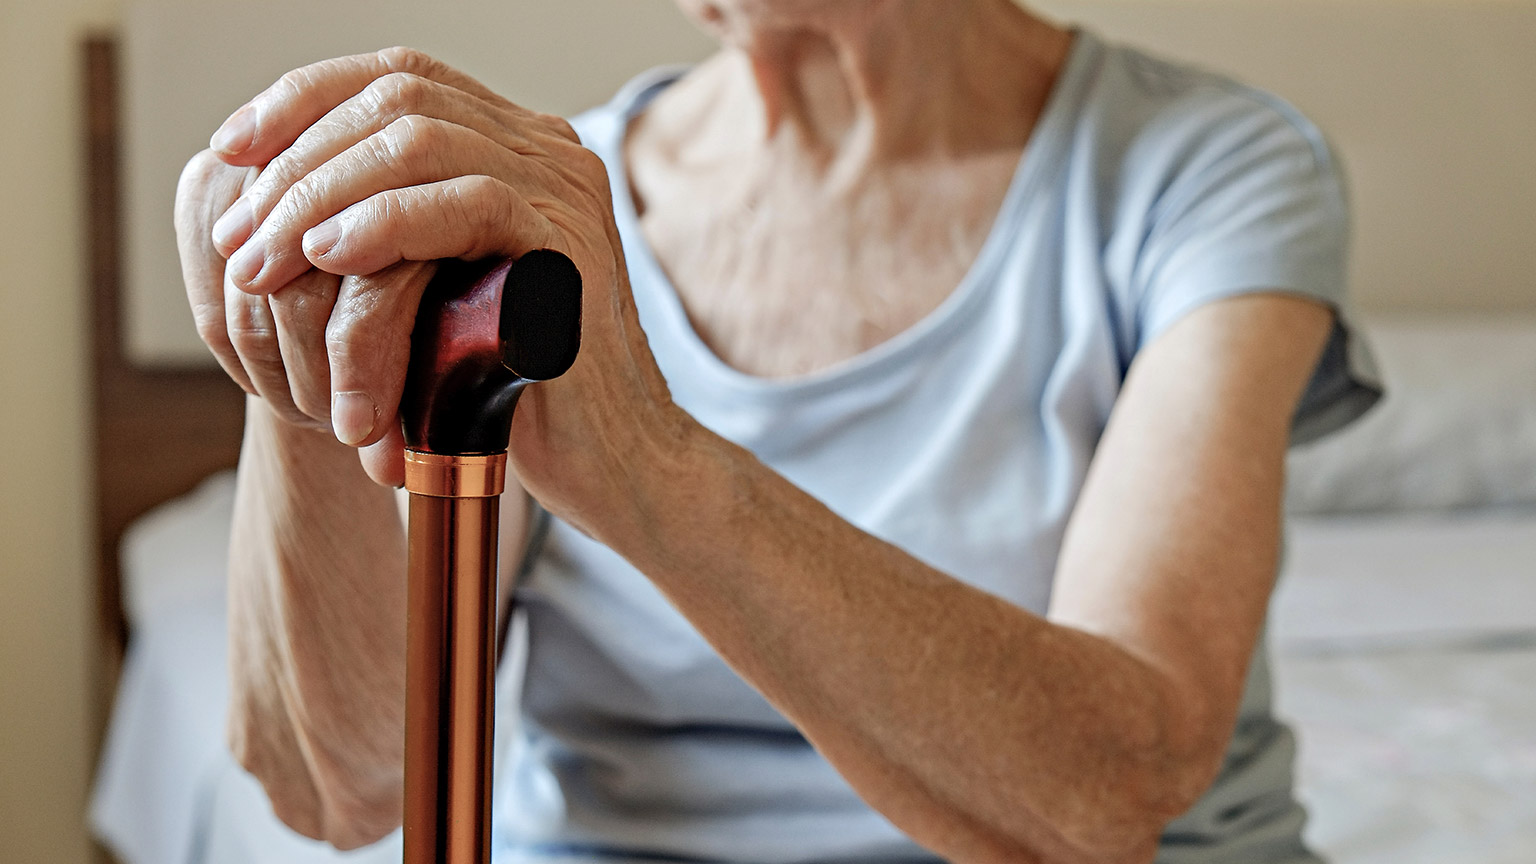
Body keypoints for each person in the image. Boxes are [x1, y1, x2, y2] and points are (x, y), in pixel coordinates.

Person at [174, 1, 1379, 861]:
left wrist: (648, 462)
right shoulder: (531, 209)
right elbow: (341, 790)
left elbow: (1115, 789)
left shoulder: (1205, 171)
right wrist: (294, 348)